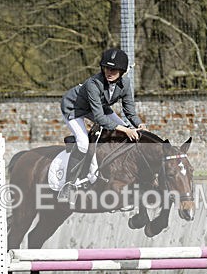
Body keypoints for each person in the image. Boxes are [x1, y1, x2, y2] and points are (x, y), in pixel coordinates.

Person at [58, 48, 146, 201]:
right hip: (74, 108)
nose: (109, 72)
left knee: (123, 131)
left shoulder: (125, 83)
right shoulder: (93, 83)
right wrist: (125, 129)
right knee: (84, 143)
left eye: (114, 69)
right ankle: (69, 185)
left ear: (122, 71)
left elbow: (129, 111)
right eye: (106, 68)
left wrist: (139, 124)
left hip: (97, 106)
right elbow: (99, 117)